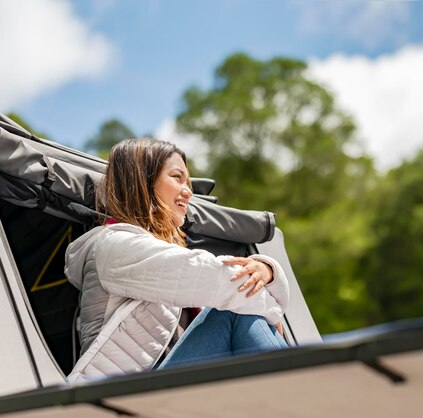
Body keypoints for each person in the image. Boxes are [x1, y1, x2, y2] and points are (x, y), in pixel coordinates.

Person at [65, 137, 289, 383]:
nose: (189, 190)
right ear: (142, 181)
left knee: (242, 307)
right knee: (234, 311)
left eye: (188, 181)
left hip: (158, 391)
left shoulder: (151, 251)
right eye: (177, 177)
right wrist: (274, 313)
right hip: (125, 399)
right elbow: (221, 281)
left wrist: (268, 270)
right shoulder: (115, 247)